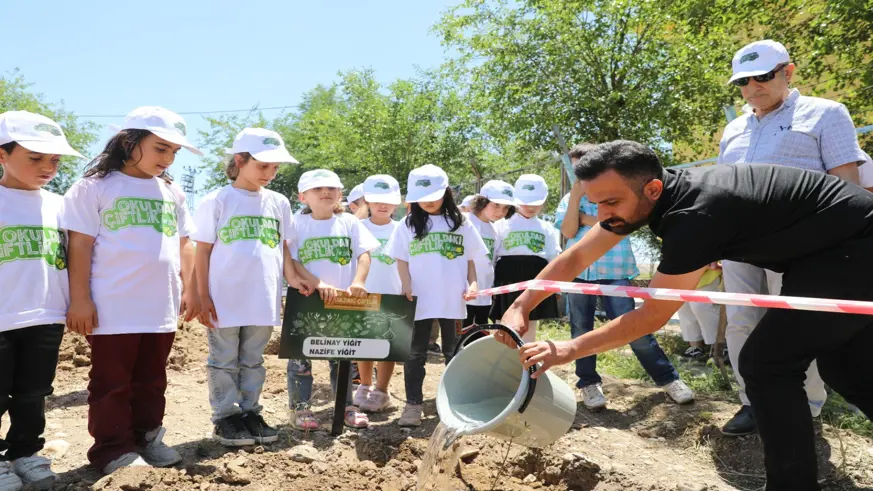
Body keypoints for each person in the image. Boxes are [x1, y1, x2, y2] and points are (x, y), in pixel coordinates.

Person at [499, 140, 873, 491]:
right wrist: (520, 305)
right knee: (845, 368)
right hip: (829, 251)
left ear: (652, 189)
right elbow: (578, 255)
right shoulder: (658, 197)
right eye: (596, 204)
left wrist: (568, 350)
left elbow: (651, 317)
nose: (603, 216)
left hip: (854, 247)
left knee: (766, 364)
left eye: (611, 202)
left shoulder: (694, 215)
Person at [718, 39, 867, 435]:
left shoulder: (826, 114)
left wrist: (840, 246)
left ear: (788, 71)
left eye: (762, 77)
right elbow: (721, 189)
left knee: (798, 325)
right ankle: (753, 402)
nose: (752, 88)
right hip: (738, 245)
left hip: (802, 246)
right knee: (740, 322)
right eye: (743, 82)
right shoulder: (733, 129)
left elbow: (847, 186)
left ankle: (805, 407)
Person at [63, 107, 201, 475]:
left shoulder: (171, 190)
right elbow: (80, 244)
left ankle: (146, 437)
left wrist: (191, 288)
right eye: (160, 148)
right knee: (112, 383)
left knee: (152, 380)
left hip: (160, 306)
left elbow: (185, 243)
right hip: (112, 306)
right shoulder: (94, 187)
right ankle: (112, 450)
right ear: (129, 142)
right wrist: (80, 298)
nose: (168, 159)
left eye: (174, 152)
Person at [193, 128, 313, 447]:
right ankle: (225, 417)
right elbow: (202, 251)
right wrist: (202, 295)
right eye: (263, 166)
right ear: (240, 160)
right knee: (223, 359)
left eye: (275, 167)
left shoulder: (278, 202)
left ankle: (250, 413)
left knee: (253, 359)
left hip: (263, 296)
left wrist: (293, 278)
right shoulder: (217, 200)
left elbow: (283, 247)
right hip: (223, 297)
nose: (270, 173)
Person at [556, 143, 693, 408]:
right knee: (580, 329)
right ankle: (588, 384)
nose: (579, 173)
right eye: (574, 169)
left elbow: (620, 223)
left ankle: (668, 379)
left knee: (634, 328)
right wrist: (574, 200)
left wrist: (587, 218)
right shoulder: (569, 200)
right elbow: (569, 231)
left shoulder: (618, 191)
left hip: (616, 270)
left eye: (582, 165)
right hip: (581, 275)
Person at [0, 111, 84, 491]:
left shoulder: (61, 205)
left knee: (34, 391)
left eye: (54, 159)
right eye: (35, 158)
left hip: (47, 315)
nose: (47, 167)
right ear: (2, 154)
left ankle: (26, 453)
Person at [384, 164, 486, 427]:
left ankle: (454, 403)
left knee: (453, 352)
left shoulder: (461, 223)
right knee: (415, 353)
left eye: (433, 196)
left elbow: (471, 258)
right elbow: (401, 258)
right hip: (418, 299)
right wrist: (405, 284)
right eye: (422, 197)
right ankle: (413, 405)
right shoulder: (407, 224)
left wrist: (473, 283)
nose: (428, 202)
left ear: (446, 193)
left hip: (453, 299)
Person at [285, 169, 380, 430]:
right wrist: (318, 283)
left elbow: (364, 254)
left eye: (331, 188)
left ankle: (346, 406)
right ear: (303, 196)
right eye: (317, 189)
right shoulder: (296, 223)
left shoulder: (349, 222)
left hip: (342, 300)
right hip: (306, 298)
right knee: (301, 356)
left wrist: (358, 281)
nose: (325, 192)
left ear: (340, 194)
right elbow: (293, 260)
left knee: (342, 357)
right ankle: (300, 409)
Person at [352, 174, 403, 413]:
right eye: (376, 200)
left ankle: (382, 390)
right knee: (364, 342)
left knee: (387, 345)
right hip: (364, 294)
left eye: (389, 201)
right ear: (367, 202)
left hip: (393, 294)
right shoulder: (357, 227)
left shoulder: (402, 229)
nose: (383, 206)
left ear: (397, 203)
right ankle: (364, 385)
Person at [489, 175, 561, 343]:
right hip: (506, 276)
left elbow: (553, 257)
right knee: (502, 321)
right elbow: (492, 256)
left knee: (529, 321)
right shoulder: (500, 225)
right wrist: (489, 283)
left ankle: (525, 356)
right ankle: (499, 355)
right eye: (526, 202)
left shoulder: (546, 227)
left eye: (536, 203)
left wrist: (556, 288)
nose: (531, 207)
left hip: (535, 276)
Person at [464, 180, 516, 336]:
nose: (500, 211)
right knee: (461, 333)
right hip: (464, 291)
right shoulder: (465, 221)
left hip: (485, 290)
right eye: (496, 205)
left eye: (506, 208)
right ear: (482, 201)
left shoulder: (494, 229)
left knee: (480, 332)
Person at [677, 264, 722, 361]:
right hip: (682, 275)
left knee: (702, 307)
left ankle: (719, 348)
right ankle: (695, 348)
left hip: (708, 274)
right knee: (684, 308)